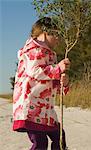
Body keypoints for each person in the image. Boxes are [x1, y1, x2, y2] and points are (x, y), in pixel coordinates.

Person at [12, 17, 70, 150]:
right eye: (55, 34)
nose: (58, 38)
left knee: (59, 136)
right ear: (44, 32)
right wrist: (57, 69)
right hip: (31, 108)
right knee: (40, 143)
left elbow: (49, 80)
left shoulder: (50, 54)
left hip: (46, 110)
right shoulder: (33, 49)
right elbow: (35, 71)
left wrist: (63, 83)